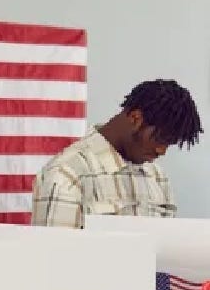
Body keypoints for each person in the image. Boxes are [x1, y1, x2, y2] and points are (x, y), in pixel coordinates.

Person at [31, 79, 202, 228]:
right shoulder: (66, 175)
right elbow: (54, 260)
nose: (162, 151)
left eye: (169, 145)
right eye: (161, 139)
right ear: (135, 118)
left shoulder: (157, 177)